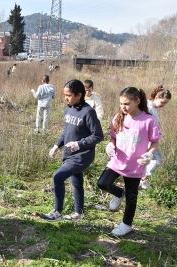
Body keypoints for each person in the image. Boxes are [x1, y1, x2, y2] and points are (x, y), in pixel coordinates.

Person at [97, 87, 162, 236]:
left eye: (127, 104)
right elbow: (113, 136)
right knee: (102, 183)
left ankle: (127, 224)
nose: (123, 107)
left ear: (137, 101)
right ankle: (119, 193)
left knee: (132, 196)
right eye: (121, 103)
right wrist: (111, 145)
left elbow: (155, 141)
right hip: (117, 161)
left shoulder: (148, 120)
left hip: (136, 164)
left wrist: (150, 154)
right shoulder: (119, 117)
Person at [43, 79, 103, 222]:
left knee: (58, 177)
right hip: (70, 154)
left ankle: (58, 212)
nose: (65, 98)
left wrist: (80, 144)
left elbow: (98, 135)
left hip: (82, 155)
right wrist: (57, 145)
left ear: (79, 95)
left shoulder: (88, 112)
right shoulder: (69, 109)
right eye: (64, 95)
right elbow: (66, 132)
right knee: (76, 182)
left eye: (68, 95)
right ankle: (79, 213)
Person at [140, 86, 171, 189]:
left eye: (166, 103)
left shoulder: (154, 107)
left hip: (153, 138)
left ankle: (139, 178)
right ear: (156, 97)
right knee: (158, 159)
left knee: (145, 158)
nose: (163, 105)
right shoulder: (148, 107)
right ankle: (143, 180)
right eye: (162, 102)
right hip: (149, 139)